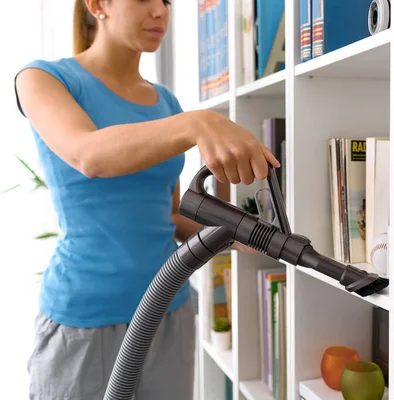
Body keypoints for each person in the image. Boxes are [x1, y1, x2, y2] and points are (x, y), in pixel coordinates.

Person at [14, 0, 279, 398]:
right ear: (98, 4)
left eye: (167, 1)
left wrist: (248, 237)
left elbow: (169, 213)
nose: (160, 11)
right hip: (84, 322)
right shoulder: (44, 79)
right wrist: (197, 121)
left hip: (167, 312)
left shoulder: (164, 103)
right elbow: (89, 155)